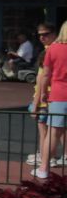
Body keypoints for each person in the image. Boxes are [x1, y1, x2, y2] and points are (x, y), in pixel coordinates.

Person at [33, 21, 67, 179]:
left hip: (59, 95)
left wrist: (42, 96)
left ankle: (44, 168)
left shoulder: (53, 49)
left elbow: (45, 75)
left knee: (53, 133)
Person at [27, 22, 63, 168]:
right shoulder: (57, 49)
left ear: (55, 34)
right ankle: (54, 156)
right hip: (56, 97)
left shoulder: (50, 51)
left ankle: (45, 157)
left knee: (45, 131)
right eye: (40, 35)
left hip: (47, 98)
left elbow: (43, 79)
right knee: (57, 130)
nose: (42, 37)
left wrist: (36, 103)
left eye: (46, 34)